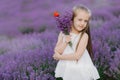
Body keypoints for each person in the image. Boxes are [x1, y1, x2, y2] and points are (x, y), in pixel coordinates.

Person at [53, 5, 100, 80]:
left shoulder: (84, 36)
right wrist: (65, 42)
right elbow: (58, 50)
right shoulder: (63, 33)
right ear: (72, 19)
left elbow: (77, 56)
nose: (82, 23)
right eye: (80, 20)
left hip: (80, 66)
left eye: (85, 21)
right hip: (68, 65)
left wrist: (60, 57)